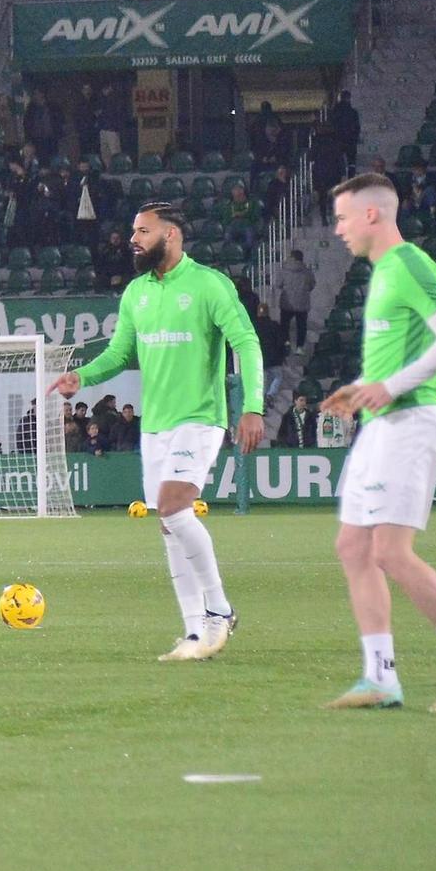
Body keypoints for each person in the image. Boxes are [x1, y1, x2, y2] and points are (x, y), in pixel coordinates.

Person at [49, 202, 263, 663]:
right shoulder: (136, 293)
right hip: (157, 425)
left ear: (172, 235)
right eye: (134, 231)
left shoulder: (209, 284)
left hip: (201, 417)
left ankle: (220, 611)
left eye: (143, 231)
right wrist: (81, 377)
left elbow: (247, 341)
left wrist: (252, 406)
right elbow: (119, 353)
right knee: (168, 525)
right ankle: (192, 632)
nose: (134, 239)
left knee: (172, 506)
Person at [319, 173, 436, 712]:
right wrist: (363, 389)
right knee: (353, 546)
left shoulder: (410, 264)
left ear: (372, 215)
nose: (338, 230)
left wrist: (389, 386)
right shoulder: (381, 274)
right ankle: (380, 677)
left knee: (391, 552)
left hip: (411, 421)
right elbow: (397, 359)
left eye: (343, 218)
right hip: (381, 424)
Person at [277, 249, 315, 347]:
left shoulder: (284, 271)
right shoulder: (307, 271)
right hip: (302, 302)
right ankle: (299, 347)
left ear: (292, 258)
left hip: (287, 302)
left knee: (285, 325)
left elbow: (278, 284)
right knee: (301, 326)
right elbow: (312, 285)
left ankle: (286, 343)